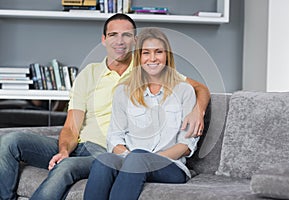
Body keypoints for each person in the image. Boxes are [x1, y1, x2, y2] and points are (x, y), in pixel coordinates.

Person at [0, 14, 209, 200]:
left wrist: (198, 110)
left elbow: (198, 88)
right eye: (113, 35)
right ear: (104, 39)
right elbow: (73, 126)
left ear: (134, 42)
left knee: (75, 166)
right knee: (10, 140)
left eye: (127, 35)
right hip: (91, 147)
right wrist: (64, 150)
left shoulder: (150, 70)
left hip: (108, 151)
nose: (120, 41)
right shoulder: (95, 75)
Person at [84, 27, 199, 200]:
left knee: (138, 158)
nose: (152, 58)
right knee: (104, 161)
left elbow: (186, 144)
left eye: (158, 52)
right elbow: (114, 137)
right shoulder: (123, 91)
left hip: (170, 166)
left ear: (167, 55)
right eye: (146, 53)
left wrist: (147, 159)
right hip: (129, 159)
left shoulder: (184, 91)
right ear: (139, 57)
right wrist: (128, 158)